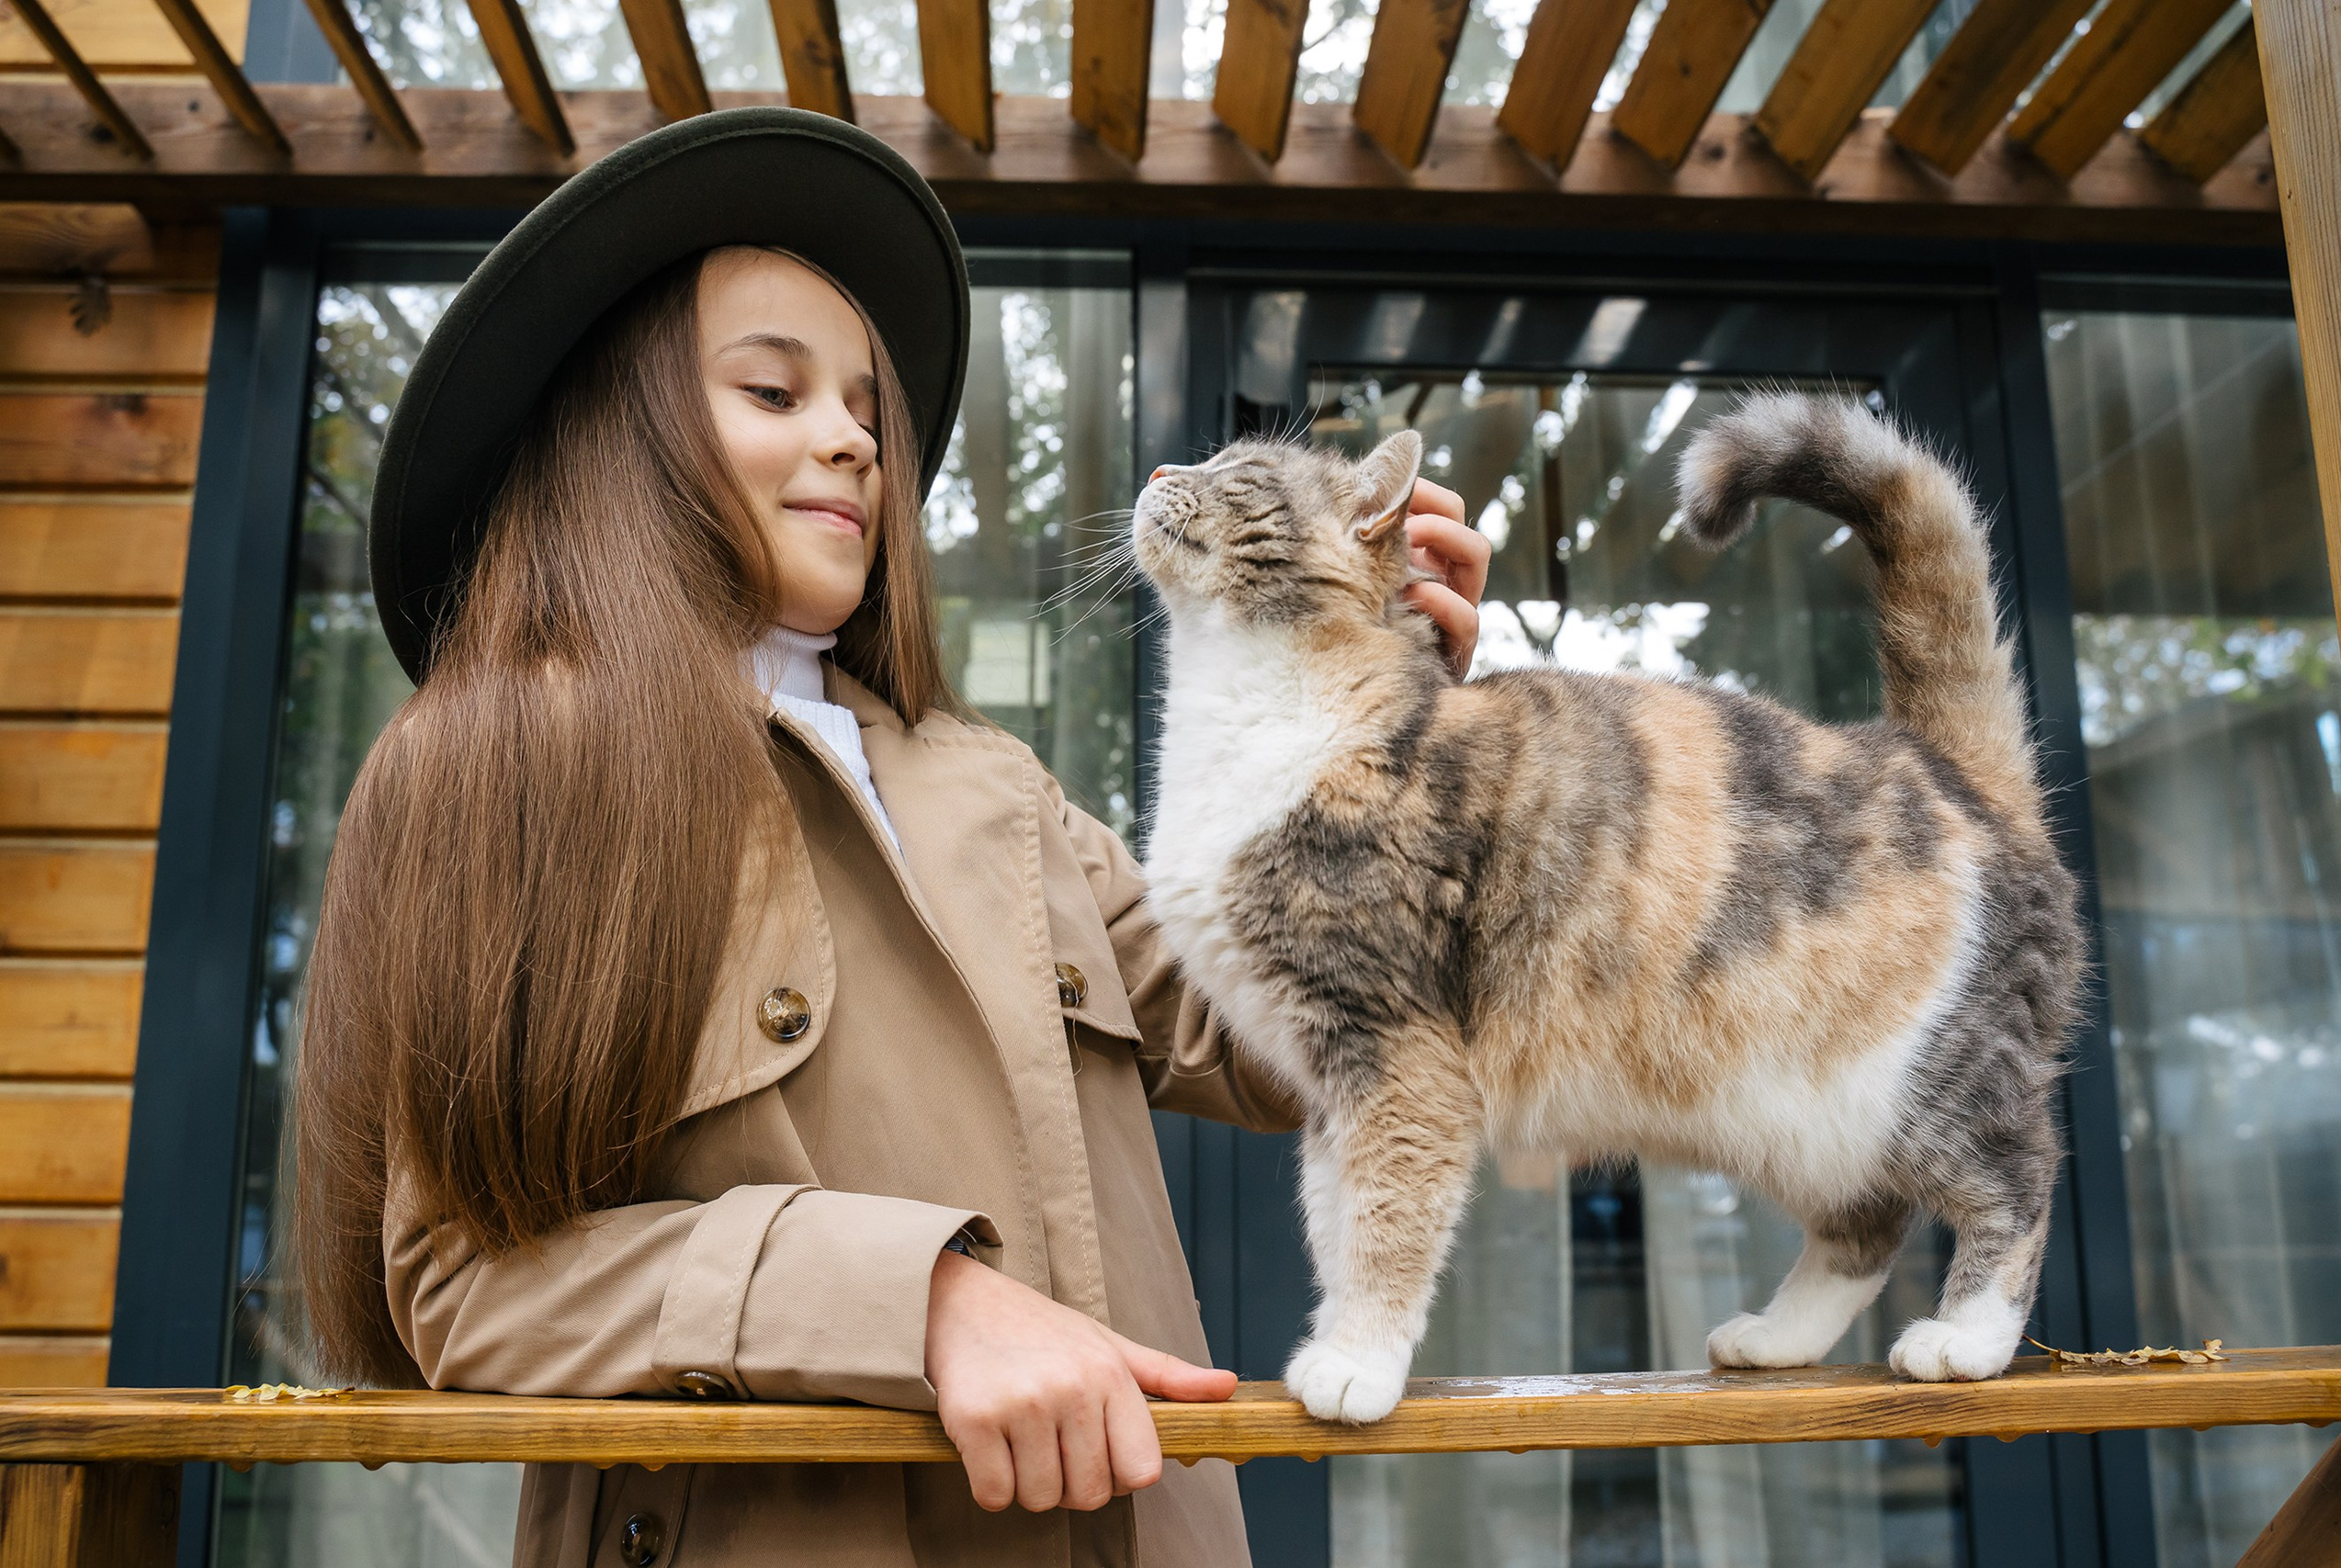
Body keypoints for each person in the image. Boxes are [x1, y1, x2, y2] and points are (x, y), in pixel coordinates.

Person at [291, 108, 1489, 1568]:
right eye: (773, 389)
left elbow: (1300, 1041)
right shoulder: (505, 756)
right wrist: (918, 1302)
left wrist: (1377, 722)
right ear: (624, 435)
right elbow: (463, 1285)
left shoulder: (1002, 793)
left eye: (866, 407)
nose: (854, 437)